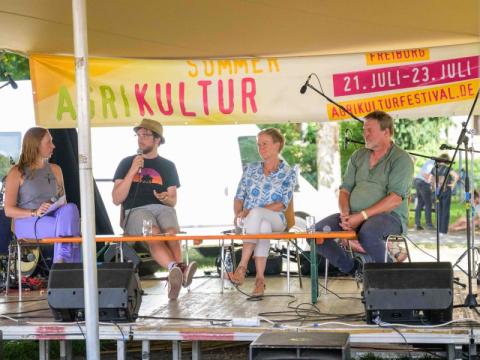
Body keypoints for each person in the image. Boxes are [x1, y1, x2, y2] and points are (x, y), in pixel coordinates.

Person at [314, 110, 414, 275]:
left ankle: (392, 276)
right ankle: (352, 268)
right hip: (353, 216)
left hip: (389, 217)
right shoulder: (358, 156)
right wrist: (346, 215)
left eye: (370, 130)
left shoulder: (401, 159)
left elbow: (394, 199)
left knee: (368, 233)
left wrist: (361, 217)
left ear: (386, 132)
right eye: (364, 130)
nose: (365, 134)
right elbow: (345, 190)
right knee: (316, 234)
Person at [112, 118, 196, 300]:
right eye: (138, 134)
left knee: (172, 232)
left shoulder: (168, 166)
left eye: (146, 135)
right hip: (136, 211)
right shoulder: (126, 163)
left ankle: (175, 276)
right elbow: (116, 199)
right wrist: (132, 171)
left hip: (162, 208)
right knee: (155, 232)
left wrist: (166, 198)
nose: (140, 139)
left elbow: (173, 201)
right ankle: (178, 268)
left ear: (157, 140)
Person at [231, 128, 297, 296]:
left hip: (277, 219)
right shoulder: (250, 170)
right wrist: (238, 213)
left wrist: (251, 211)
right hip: (252, 222)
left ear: (278, 145)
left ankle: (242, 267)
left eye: (265, 144)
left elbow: (282, 204)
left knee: (259, 215)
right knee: (263, 227)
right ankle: (260, 280)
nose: (261, 148)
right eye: (259, 145)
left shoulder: (288, 173)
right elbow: (238, 197)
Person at [4, 127, 81, 263]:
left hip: (54, 218)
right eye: (49, 142)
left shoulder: (56, 170)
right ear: (36, 145)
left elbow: (64, 203)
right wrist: (35, 212)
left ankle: (63, 262)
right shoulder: (17, 172)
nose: (53, 146)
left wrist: (55, 204)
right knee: (69, 230)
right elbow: (8, 210)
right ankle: (65, 265)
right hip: (27, 221)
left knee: (71, 208)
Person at [430, 153, 459, 234]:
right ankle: (443, 231)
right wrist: (453, 184)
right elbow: (456, 176)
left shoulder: (434, 168)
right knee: (445, 211)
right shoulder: (448, 168)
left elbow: (430, 179)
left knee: (438, 210)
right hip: (446, 190)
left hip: (437, 191)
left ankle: (438, 230)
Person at [414, 159, 435, 230]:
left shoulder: (429, 161)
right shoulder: (432, 163)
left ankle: (417, 224)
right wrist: (432, 184)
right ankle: (429, 225)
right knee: (428, 203)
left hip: (418, 181)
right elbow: (424, 174)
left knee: (420, 203)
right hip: (422, 182)